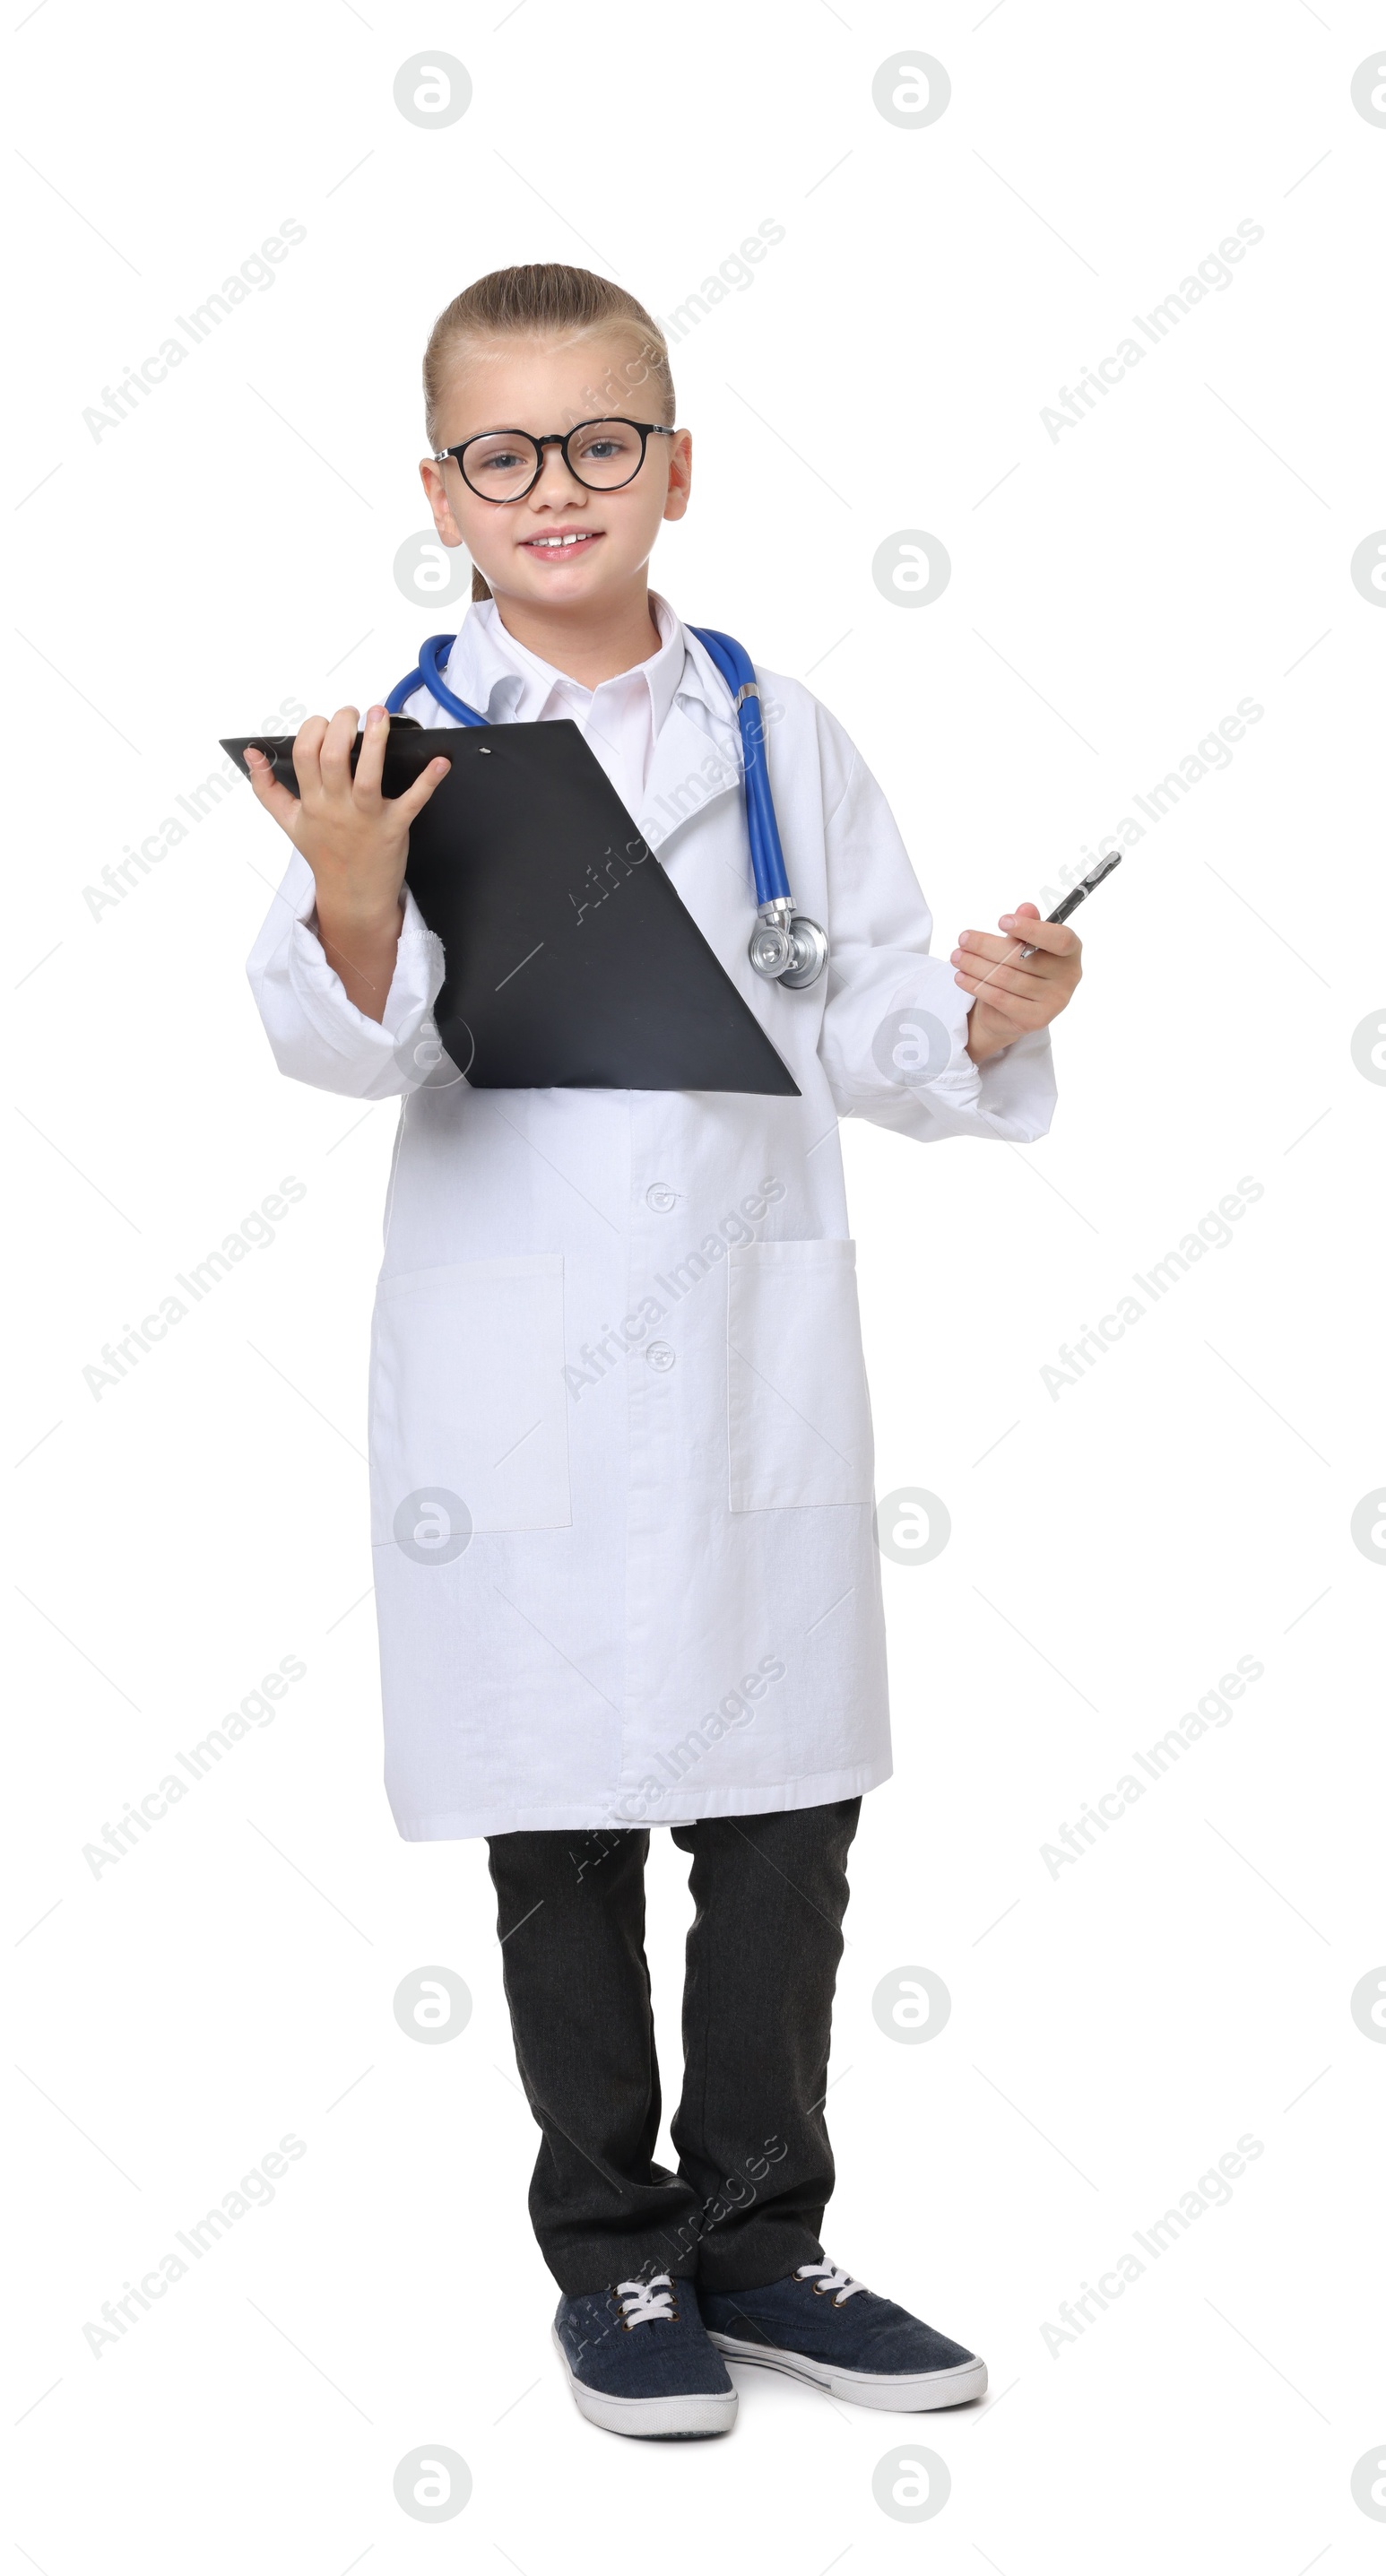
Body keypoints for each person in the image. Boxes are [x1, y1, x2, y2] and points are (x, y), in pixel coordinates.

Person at [243, 263, 1081, 2442]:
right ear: (439, 487)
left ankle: (765, 2244)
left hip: (741, 1349)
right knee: (563, 1826)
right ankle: (613, 2266)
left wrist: (983, 1012)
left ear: (673, 467)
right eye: (503, 454)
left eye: (600, 442)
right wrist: (352, 886)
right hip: (519, 1364)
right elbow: (346, 1045)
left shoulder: (776, 730)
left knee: (785, 1813)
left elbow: (870, 1006)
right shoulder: (386, 747)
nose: (556, 488)